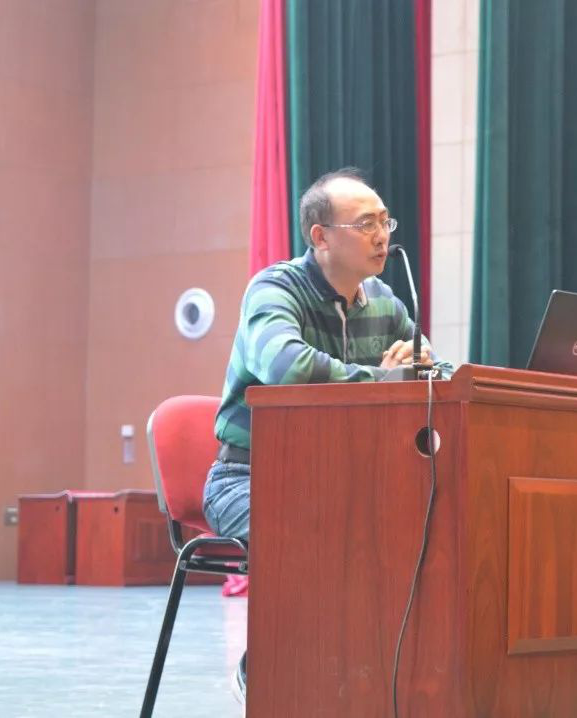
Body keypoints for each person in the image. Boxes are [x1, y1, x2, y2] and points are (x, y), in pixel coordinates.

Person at [203, 167, 453, 704]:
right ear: (320, 237)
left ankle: (379, 680)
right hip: (247, 476)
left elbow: (441, 373)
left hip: (344, 480)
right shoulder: (274, 289)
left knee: (429, 526)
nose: (382, 235)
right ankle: (266, 668)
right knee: (322, 533)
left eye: (385, 221)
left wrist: (423, 367)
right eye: (366, 224)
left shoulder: (384, 301)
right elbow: (286, 367)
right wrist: (383, 379)